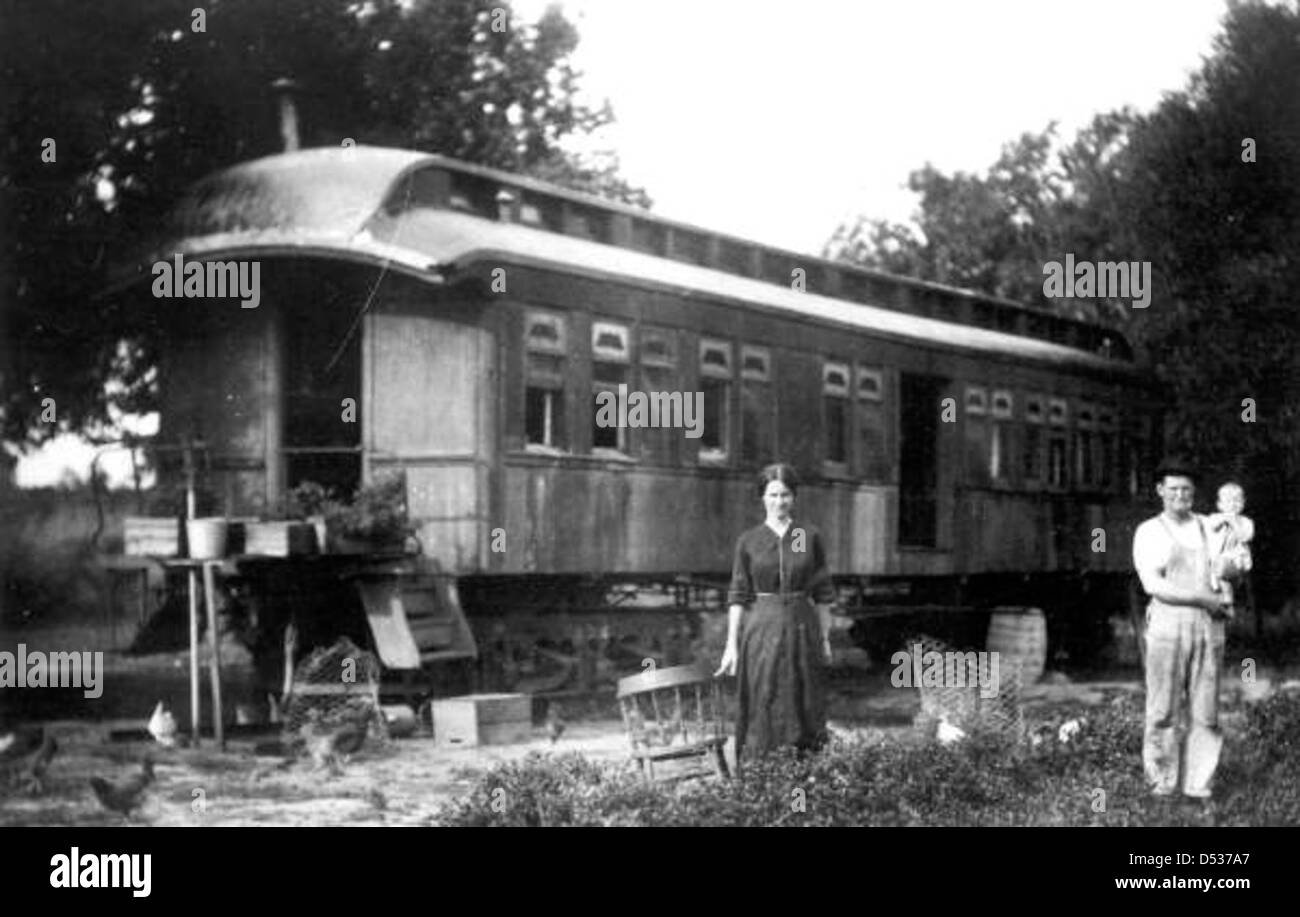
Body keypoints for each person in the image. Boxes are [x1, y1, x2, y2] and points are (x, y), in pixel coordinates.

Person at [715, 463, 838, 764]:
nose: (779, 501)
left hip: (801, 626)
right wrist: (731, 646)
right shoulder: (749, 540)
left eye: (785, 495)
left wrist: (824, 638)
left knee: (803, 697)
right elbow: (738, 595)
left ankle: (805, 773)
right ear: (762, 497)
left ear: (794, 497)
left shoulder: (808, 536)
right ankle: (761, 774)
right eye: (772, 494)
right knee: (763, 696)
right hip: (762, 629)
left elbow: (823, 593)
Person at [1131, 457, 1232, 802]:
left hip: (1209, 626)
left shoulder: (1208, 526)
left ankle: (1198, 785)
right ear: (1160, 491)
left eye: (1186, 489)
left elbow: (1230, 567)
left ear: (1194, 492)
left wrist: (1234, 566)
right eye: (1173, 488)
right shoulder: (1149, 531)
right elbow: (1154, 585)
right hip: (1168, 625)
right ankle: (1161, 784)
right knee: (1162, 710)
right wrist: (1202, 598)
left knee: (1207, 711)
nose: (1180, 495)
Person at [1206, 481, 1255, 616]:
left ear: (1243, 503)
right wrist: (1224, 519)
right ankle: (1224, 604)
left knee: (1222, 570)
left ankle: (1229, 600)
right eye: (1228, 501)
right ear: (1219, 505)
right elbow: (1211, 526)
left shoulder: (1246, 522)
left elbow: (1244, 537)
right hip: (1217, 557)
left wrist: (1234, 522)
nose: (1233, 505)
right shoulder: (1215, 517)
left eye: (1237, 501)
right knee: (1216, 574)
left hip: (1237, 558)